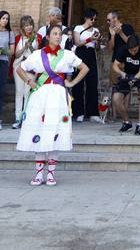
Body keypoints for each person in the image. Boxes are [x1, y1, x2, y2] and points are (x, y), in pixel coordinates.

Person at [15, 22, 87, 186]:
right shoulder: (38, 54)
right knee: (39, 130)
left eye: (59, 34)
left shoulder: (67, 54)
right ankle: (39, 173)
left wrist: (72, 83)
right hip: (40, 95)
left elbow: (84, 68)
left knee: (55, 131)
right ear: (47, 37)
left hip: (58, 95)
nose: (58, 36)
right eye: (54, 34)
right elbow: (20, 68)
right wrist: (29, 81)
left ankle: (51, 174)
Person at [111, 34, 140, 135]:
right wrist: (121, 73)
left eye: (135, 50)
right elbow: (115, 65)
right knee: (116, 98)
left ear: (139, 46)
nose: (133, 53)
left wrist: (135, 79)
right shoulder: (123, 50)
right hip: (128, 74)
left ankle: (139, 125)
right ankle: (127, 122)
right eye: (131, 51)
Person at [70, 8, 101, 122]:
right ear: (86, 18)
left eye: (95, 18)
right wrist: (90, 38)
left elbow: (97, 48)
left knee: (92, 83)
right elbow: (77, 43)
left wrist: (98, 41)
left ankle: (92, 113)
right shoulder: (78, 28)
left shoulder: (96, 30)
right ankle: (78, 112)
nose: (93, 20)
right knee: (78, 83)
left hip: (91, 54)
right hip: (80, 54)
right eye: (91, 18)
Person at [10, 15, 38, 129]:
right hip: (19, 66)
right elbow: (16, 54)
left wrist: (30, 47)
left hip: (31, 67)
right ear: (22, 27)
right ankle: (17, 118)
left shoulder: (37, 37)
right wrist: (23, 47)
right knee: (19, 91)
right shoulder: (18, 38)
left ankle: (25, 117)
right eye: (26, 25)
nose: (29, 27)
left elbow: (37, 54)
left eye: (30, 25)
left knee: (28, 92)